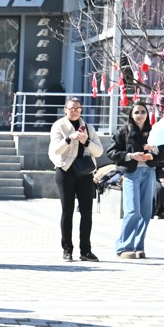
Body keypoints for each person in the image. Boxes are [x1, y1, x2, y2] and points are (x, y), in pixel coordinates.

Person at [108, 100, 164, 259]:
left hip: (149, 173)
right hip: (131, 174)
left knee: (146, 212)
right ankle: (124, 247)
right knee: (133, 211)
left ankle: (138, 246)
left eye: (143, 112)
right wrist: (130, 156)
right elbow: (111, 152)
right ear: (131, 115)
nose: (140, 115)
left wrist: (153, 150)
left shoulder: (153, 132)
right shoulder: (124, 131)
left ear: (147, 114)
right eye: (136, 112)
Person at [49, 98, 103, 262]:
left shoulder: (88, 128)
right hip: (65, 170)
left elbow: (99, 151)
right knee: (67, 210)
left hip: (85, 172)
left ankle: (86, 250)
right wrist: (69, 138)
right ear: (65, 109)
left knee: (87, 212)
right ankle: (67, 249)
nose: (75, 111)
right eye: (71, 108)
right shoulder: (59, 126)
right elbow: (56, 150)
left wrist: (86, 141)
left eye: (78, 109)